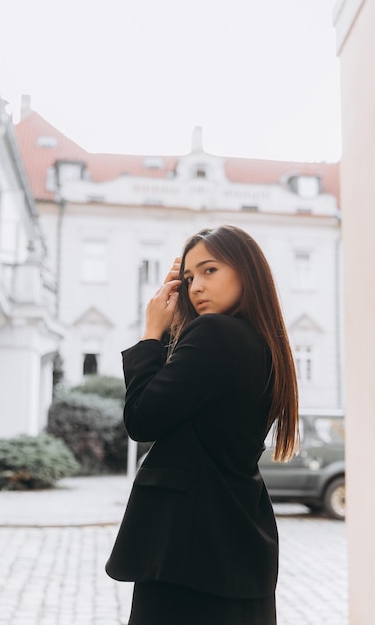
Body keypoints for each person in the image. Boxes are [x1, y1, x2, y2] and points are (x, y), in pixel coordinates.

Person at [106, 225, 299, 625]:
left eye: (209, 270)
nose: (195, 287)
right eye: (189, 277)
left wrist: (151, 333)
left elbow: (143, 419)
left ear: (247, 271)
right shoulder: (264, 344)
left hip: (187, 549)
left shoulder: (215, 332)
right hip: (238, 542)